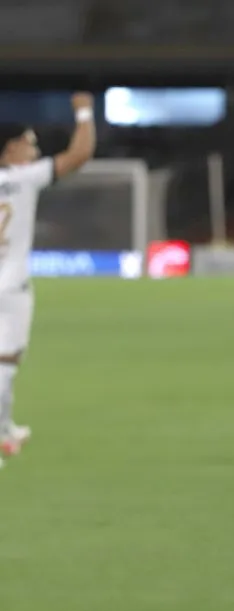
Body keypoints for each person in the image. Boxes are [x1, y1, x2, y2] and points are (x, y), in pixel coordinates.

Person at [0, 93, 97, 458]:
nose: (35, 149)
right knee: (6, 363)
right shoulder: (25, 178)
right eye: (29, 142)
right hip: (11, 287)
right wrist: (84, 111)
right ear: (11, 149)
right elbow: (80, 154)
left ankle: (6, 428)